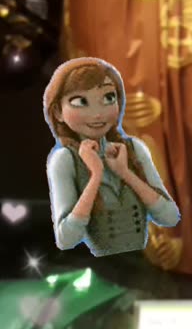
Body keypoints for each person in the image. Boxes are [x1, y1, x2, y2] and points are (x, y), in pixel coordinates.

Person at [44, 56, 180, 257]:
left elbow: (170, 217)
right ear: (58, 112)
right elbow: (66, 239)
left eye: (108, 98)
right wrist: (95, 176)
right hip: (103, 268)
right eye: (81, 102)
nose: (98, 113)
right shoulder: (65, 160)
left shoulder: (133, 149)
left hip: (142, 262)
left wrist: (126, 173)